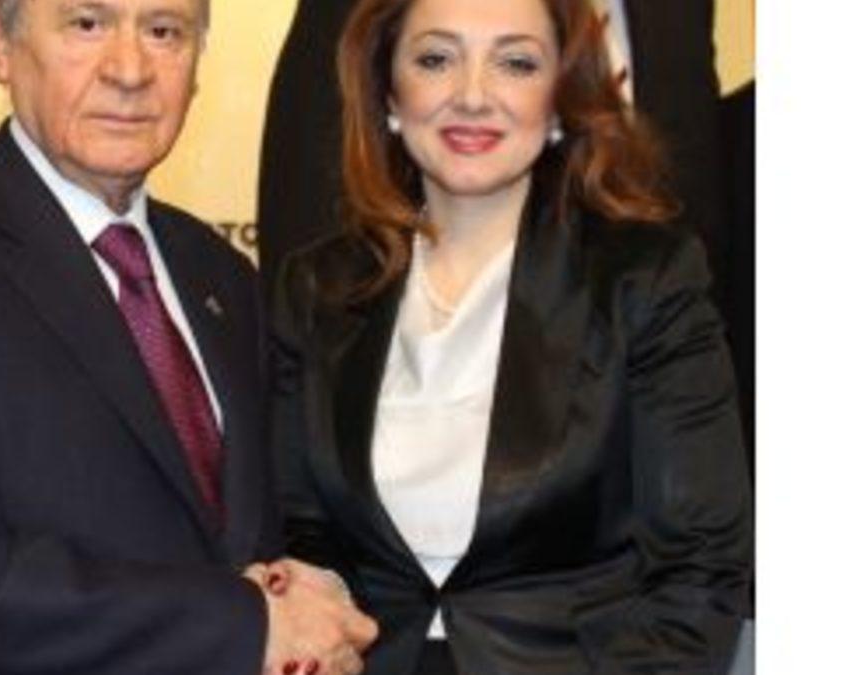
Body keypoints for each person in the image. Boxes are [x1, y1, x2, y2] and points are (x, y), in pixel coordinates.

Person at [0, 1, 375, 673]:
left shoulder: (223, 277)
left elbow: (252, 534)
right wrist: (247, 623)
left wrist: (306, 591)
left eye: (164, 32)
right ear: (0, 41)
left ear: (197, 64)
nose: (129, 70)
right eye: (86, 24)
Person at [268, 0, 752, 673]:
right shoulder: (316, 289)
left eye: (516, 63)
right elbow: (299, 538)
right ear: (389, 92)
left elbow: (700, 568)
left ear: (560, 99)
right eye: (436, 58)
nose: (473, 95)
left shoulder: (645, 280)